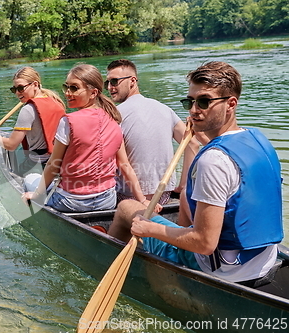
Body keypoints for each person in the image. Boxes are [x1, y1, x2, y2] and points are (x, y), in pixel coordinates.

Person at [108, 61, 284, 284]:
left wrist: (151, 229)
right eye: (189, 102)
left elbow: (204, 243)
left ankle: (109, 270)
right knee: (184, 197)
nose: (193, 110)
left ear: (231, 104)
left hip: (224, 268)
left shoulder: (213, 160)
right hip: (262, 259)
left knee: (127, 208)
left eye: (204, 102)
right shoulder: (257, 139)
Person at [23, 63, 151, 213]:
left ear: (93, 93)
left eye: (74, 88)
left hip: (71, 202)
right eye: (66, 87)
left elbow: (53, 165)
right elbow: (125, 166)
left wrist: (36, 195)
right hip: (107, 200)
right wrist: (142, 200)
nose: (67, 93)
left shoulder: (68, 122)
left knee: (29, 178)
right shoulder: (114, 121)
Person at [105, 59, 202, 205]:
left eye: (114, 81)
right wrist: (183, 186)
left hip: (128, 197)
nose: (109, 87)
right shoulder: (164, 109)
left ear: (132, 81)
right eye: (107, 83)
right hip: (163, 195)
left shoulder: (115, 115)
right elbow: (192, 143)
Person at [0, 67, 65, 176]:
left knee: (15, 162)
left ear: (35, 84)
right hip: (60, 161)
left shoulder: (28, 109)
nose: (17, 93)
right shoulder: (55, 100)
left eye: (21, 88)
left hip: (39, 163)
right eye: (14, 89)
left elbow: (11, 145)